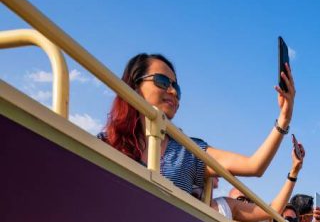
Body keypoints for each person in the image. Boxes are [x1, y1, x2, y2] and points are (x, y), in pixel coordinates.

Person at [102, 53, 295, 197]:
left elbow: (254, 166)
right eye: (162, 81)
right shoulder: (106, 143)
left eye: (176, 86)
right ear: (134, 85)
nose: (173, 92)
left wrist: (284, 118)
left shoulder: (189, 150)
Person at [212, 143, 303, 222]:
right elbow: (254, 167)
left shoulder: (224, 206)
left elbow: (273, 210)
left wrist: (294, 172)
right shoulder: (222, 207)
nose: (246, 203)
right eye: (241, 199)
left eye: (250, 201)